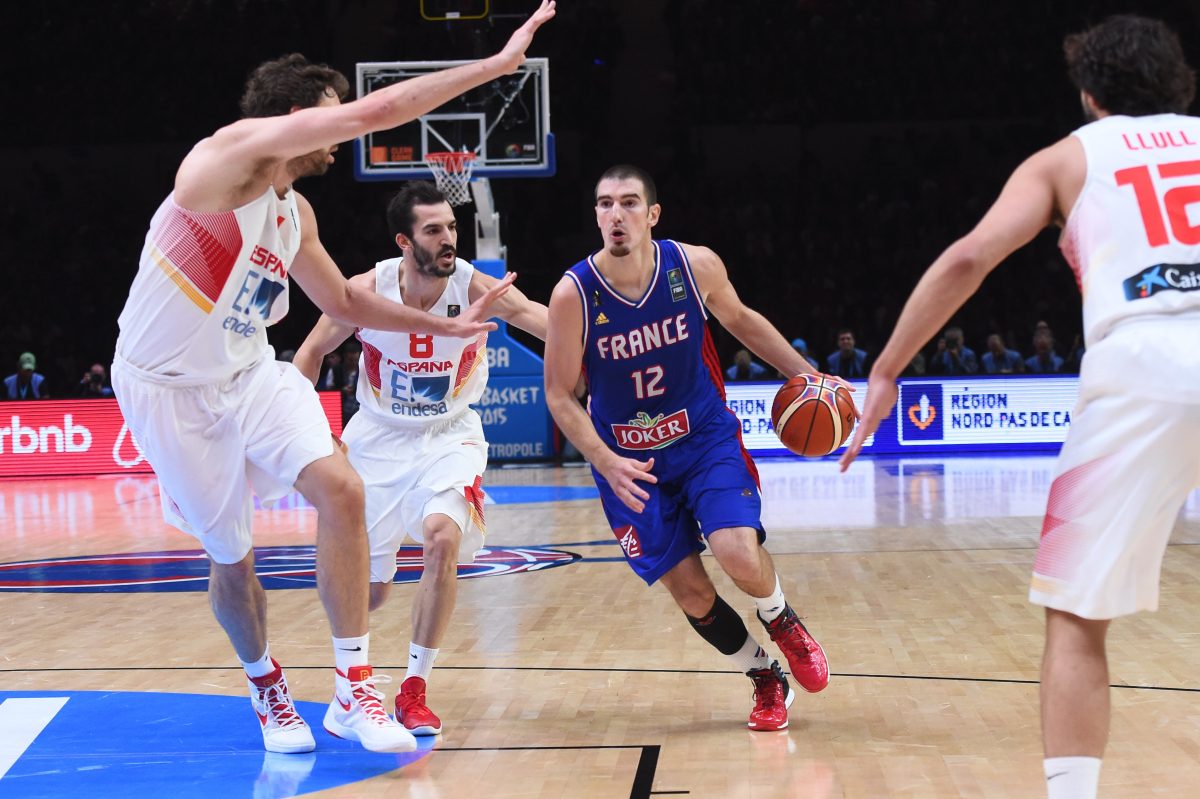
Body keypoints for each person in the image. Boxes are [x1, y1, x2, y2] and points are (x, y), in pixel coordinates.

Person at [109, 1, 556, 757]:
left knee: (342, 489)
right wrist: (492, 68)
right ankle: (266, 684)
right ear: (293, 117)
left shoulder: (296, 214)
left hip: (251, 371)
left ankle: (353, 688)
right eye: (332, 112)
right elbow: (381, 109)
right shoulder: (226, 157)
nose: (345, 122)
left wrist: (443, 326)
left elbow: (344, 302)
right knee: (233, 561)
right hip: (169, 390)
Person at [840, 16, 1199, 798]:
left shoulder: (1069, 156)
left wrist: (889, 368)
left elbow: (969, 256)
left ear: (1089, 95)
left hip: (1139, 363)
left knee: (1076, 616)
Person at [545, 164, 847, 732]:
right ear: (595, 216)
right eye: (606, 204)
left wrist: (811, 377)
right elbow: (559, 395)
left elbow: (741, 320)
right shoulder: (573, 294)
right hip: (629, 462)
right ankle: (764, 676)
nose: (616, 214)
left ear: (652, 215)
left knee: (736, 550)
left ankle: (780, 618)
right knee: (692, 595)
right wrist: (605, 461)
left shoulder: (693, 265)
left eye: (629, 203)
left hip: (703, 437)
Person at [294, 181, 547, 737]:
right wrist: (310, 436)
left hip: (451, 434)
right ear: (404, 242)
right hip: (377, 440)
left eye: (452, 227)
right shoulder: (366, 290)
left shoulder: (475, 285)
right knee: (371, 591)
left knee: (442, 538)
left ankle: (413, 689)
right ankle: (348, 685)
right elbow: (310, 354)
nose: (449, 238)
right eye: (434, 230)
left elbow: (540, 319)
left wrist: (610, 345)